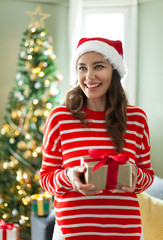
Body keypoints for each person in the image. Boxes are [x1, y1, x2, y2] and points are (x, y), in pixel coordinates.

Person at [40, 37, 154, 240]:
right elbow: (46, 177)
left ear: (114, 70)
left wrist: (134, 175)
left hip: (125, 233)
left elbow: (147, 177)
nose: (89, 76)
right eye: (82, 68)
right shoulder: (60, 117)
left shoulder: (136, 119)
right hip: (71, 233)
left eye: (98, 66)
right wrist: (69, 176)